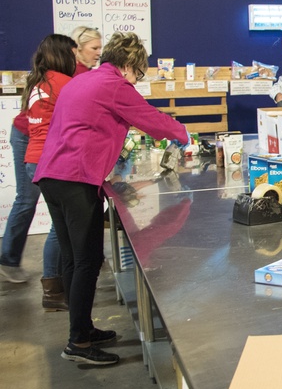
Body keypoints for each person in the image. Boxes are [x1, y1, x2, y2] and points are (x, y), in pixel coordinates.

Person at [35, 32, 189, 366]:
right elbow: (152, 120)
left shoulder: (84, 80)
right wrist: (184, 134)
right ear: (129, 65)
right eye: (138, 72)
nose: (136, 80)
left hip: (53, 175)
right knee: (87, 260)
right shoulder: (114, 85)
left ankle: (83, 329)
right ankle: (77, 342)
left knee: (74, 259)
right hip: (75, 177)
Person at [0, 34, 77, 305]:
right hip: (49, 159)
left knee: (57, 220)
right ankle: (53, 288)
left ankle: (55, 282)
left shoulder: (40, 79)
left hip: (37, 155)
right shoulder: (63, 82)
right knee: (59, 224)